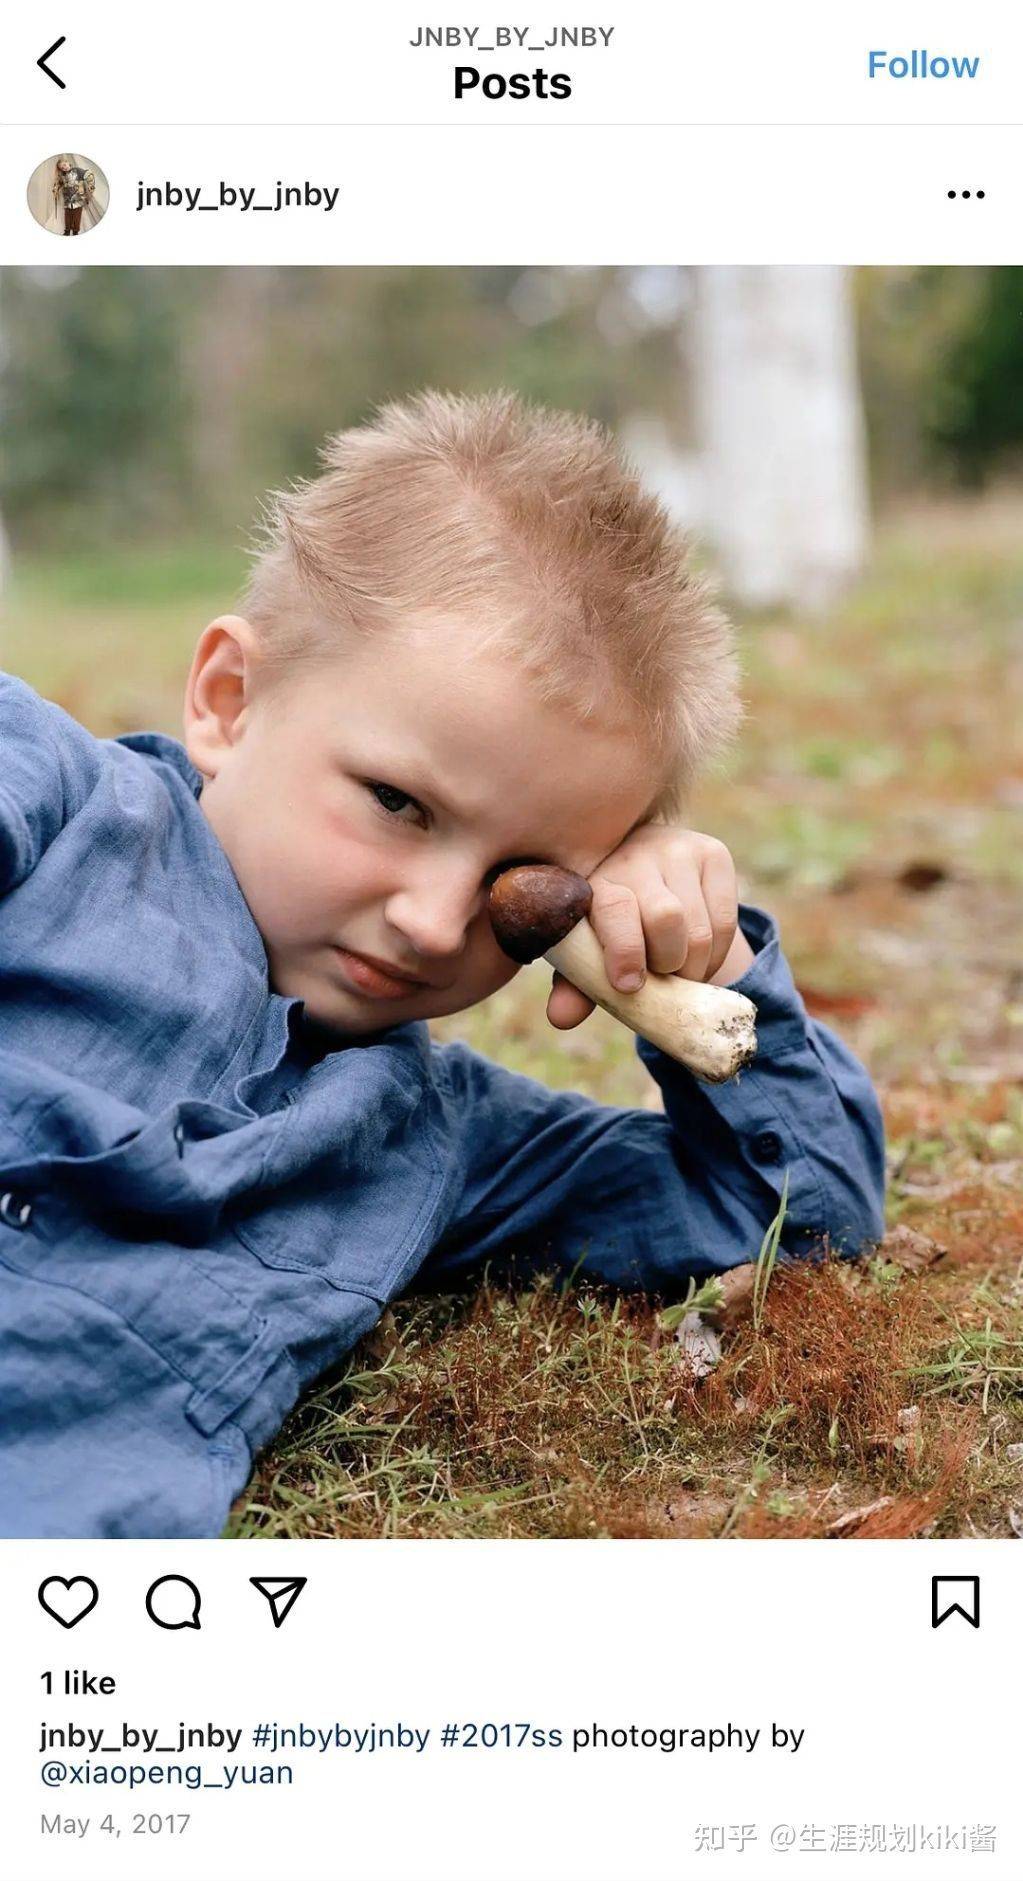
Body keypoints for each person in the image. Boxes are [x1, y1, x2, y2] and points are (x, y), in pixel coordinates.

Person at [0, 391, 885, 1539]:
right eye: (398, 803)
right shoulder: (58, 807)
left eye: (528, 889)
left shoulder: (431, 1140)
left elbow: (798, 1214)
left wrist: (698, 968)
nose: (430, 922)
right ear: (231, 700)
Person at [52, 155, 97, 235]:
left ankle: (75, 231)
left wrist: (90, 186)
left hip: (78, 200)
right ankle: (67, 231)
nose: (64, 168)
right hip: (67, 201)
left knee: (77, 217)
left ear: (68, 162)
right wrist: (55, 189)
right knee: (67, 217)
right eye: (62, 168)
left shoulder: (77, 171)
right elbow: (58, 184)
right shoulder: (62, 176)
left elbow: (88, 175)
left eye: (64, 165)